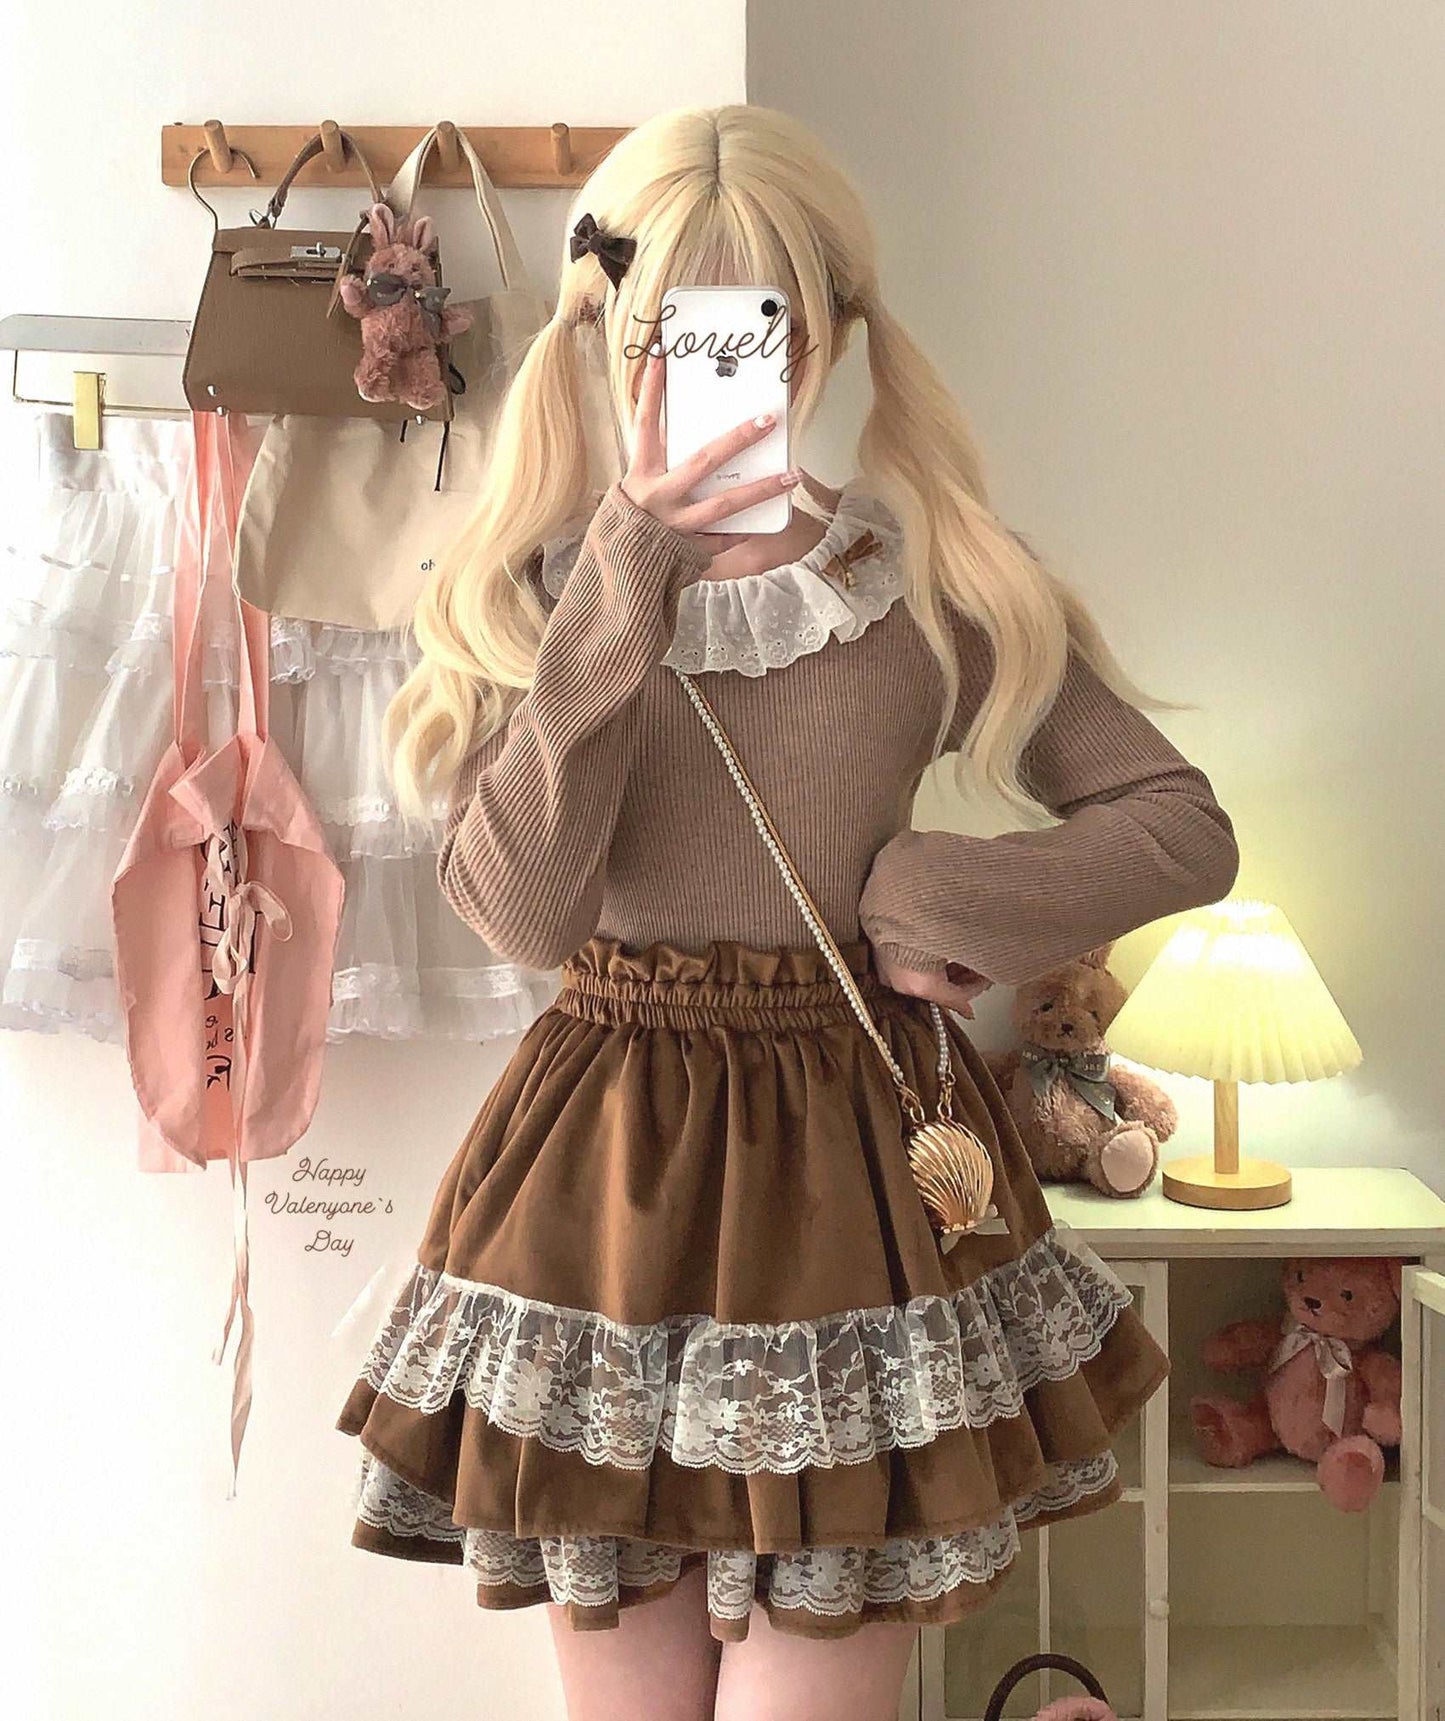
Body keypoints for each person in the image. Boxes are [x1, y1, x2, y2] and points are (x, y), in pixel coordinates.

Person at [335, 103, 1240, 1721]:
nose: (707, 367)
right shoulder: (528, 590)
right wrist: (626, 577)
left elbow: (1181, 824)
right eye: (666, 328)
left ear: (821, 332)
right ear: (609, 330)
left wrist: (948, 891)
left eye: (751, 325)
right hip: (601, 1194)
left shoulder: (926, 579)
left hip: (853, 1186)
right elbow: (524, 912)